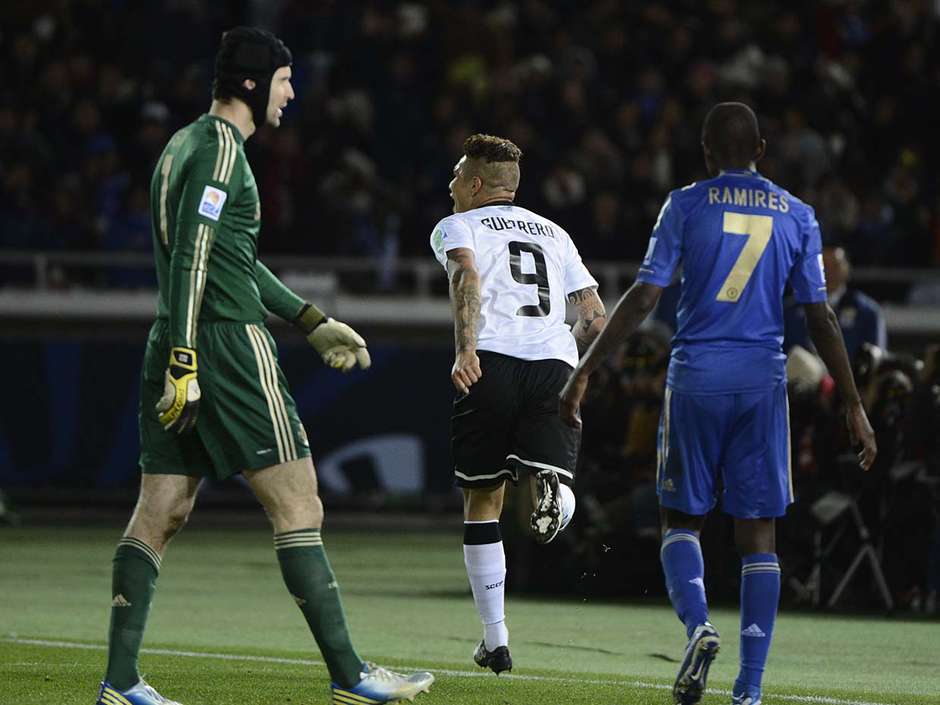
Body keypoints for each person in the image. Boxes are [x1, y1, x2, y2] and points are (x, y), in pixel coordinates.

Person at [96, 28, 433, 705]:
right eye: (284, 79)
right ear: (252, 84)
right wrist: (191, 358)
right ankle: (351, 676)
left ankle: (121, 680)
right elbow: (195, 252)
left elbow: (232, 259)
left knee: (160, 508)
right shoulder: (223, 152)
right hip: (222, 347)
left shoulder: (184, 144)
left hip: (174, 334)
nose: (292, 91)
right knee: (299, 502)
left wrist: (309, 319)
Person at [560, 103, 877, 705]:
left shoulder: (684, 204)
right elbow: (821, 316)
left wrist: (586, 370)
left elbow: (645, 295)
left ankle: (699, 625)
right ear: (761, 148)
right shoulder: (799, 215)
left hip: (697, 378)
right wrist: (854, 406)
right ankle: (750, 688)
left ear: (706, 152)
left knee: (681, 520)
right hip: (763, 383)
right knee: (759, 533)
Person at [430, 134, 606, 675]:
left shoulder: (457, 225)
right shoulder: (555, 233)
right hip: (554, 363)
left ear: (476, 184)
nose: (451, 182)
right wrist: (562, 358)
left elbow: (467, 275)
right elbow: (595, 316)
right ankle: (558, 493)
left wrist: (465, 347)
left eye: (458, 174)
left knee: (483, 502)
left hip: (491, 362)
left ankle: (496, 639)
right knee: (549, 488)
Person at [783, 245, 887, 361]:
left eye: (835, 266)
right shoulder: (789, 312)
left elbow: (876, 358)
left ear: (846, 269)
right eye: (823, 265)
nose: (828, 272)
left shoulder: (867, 312)